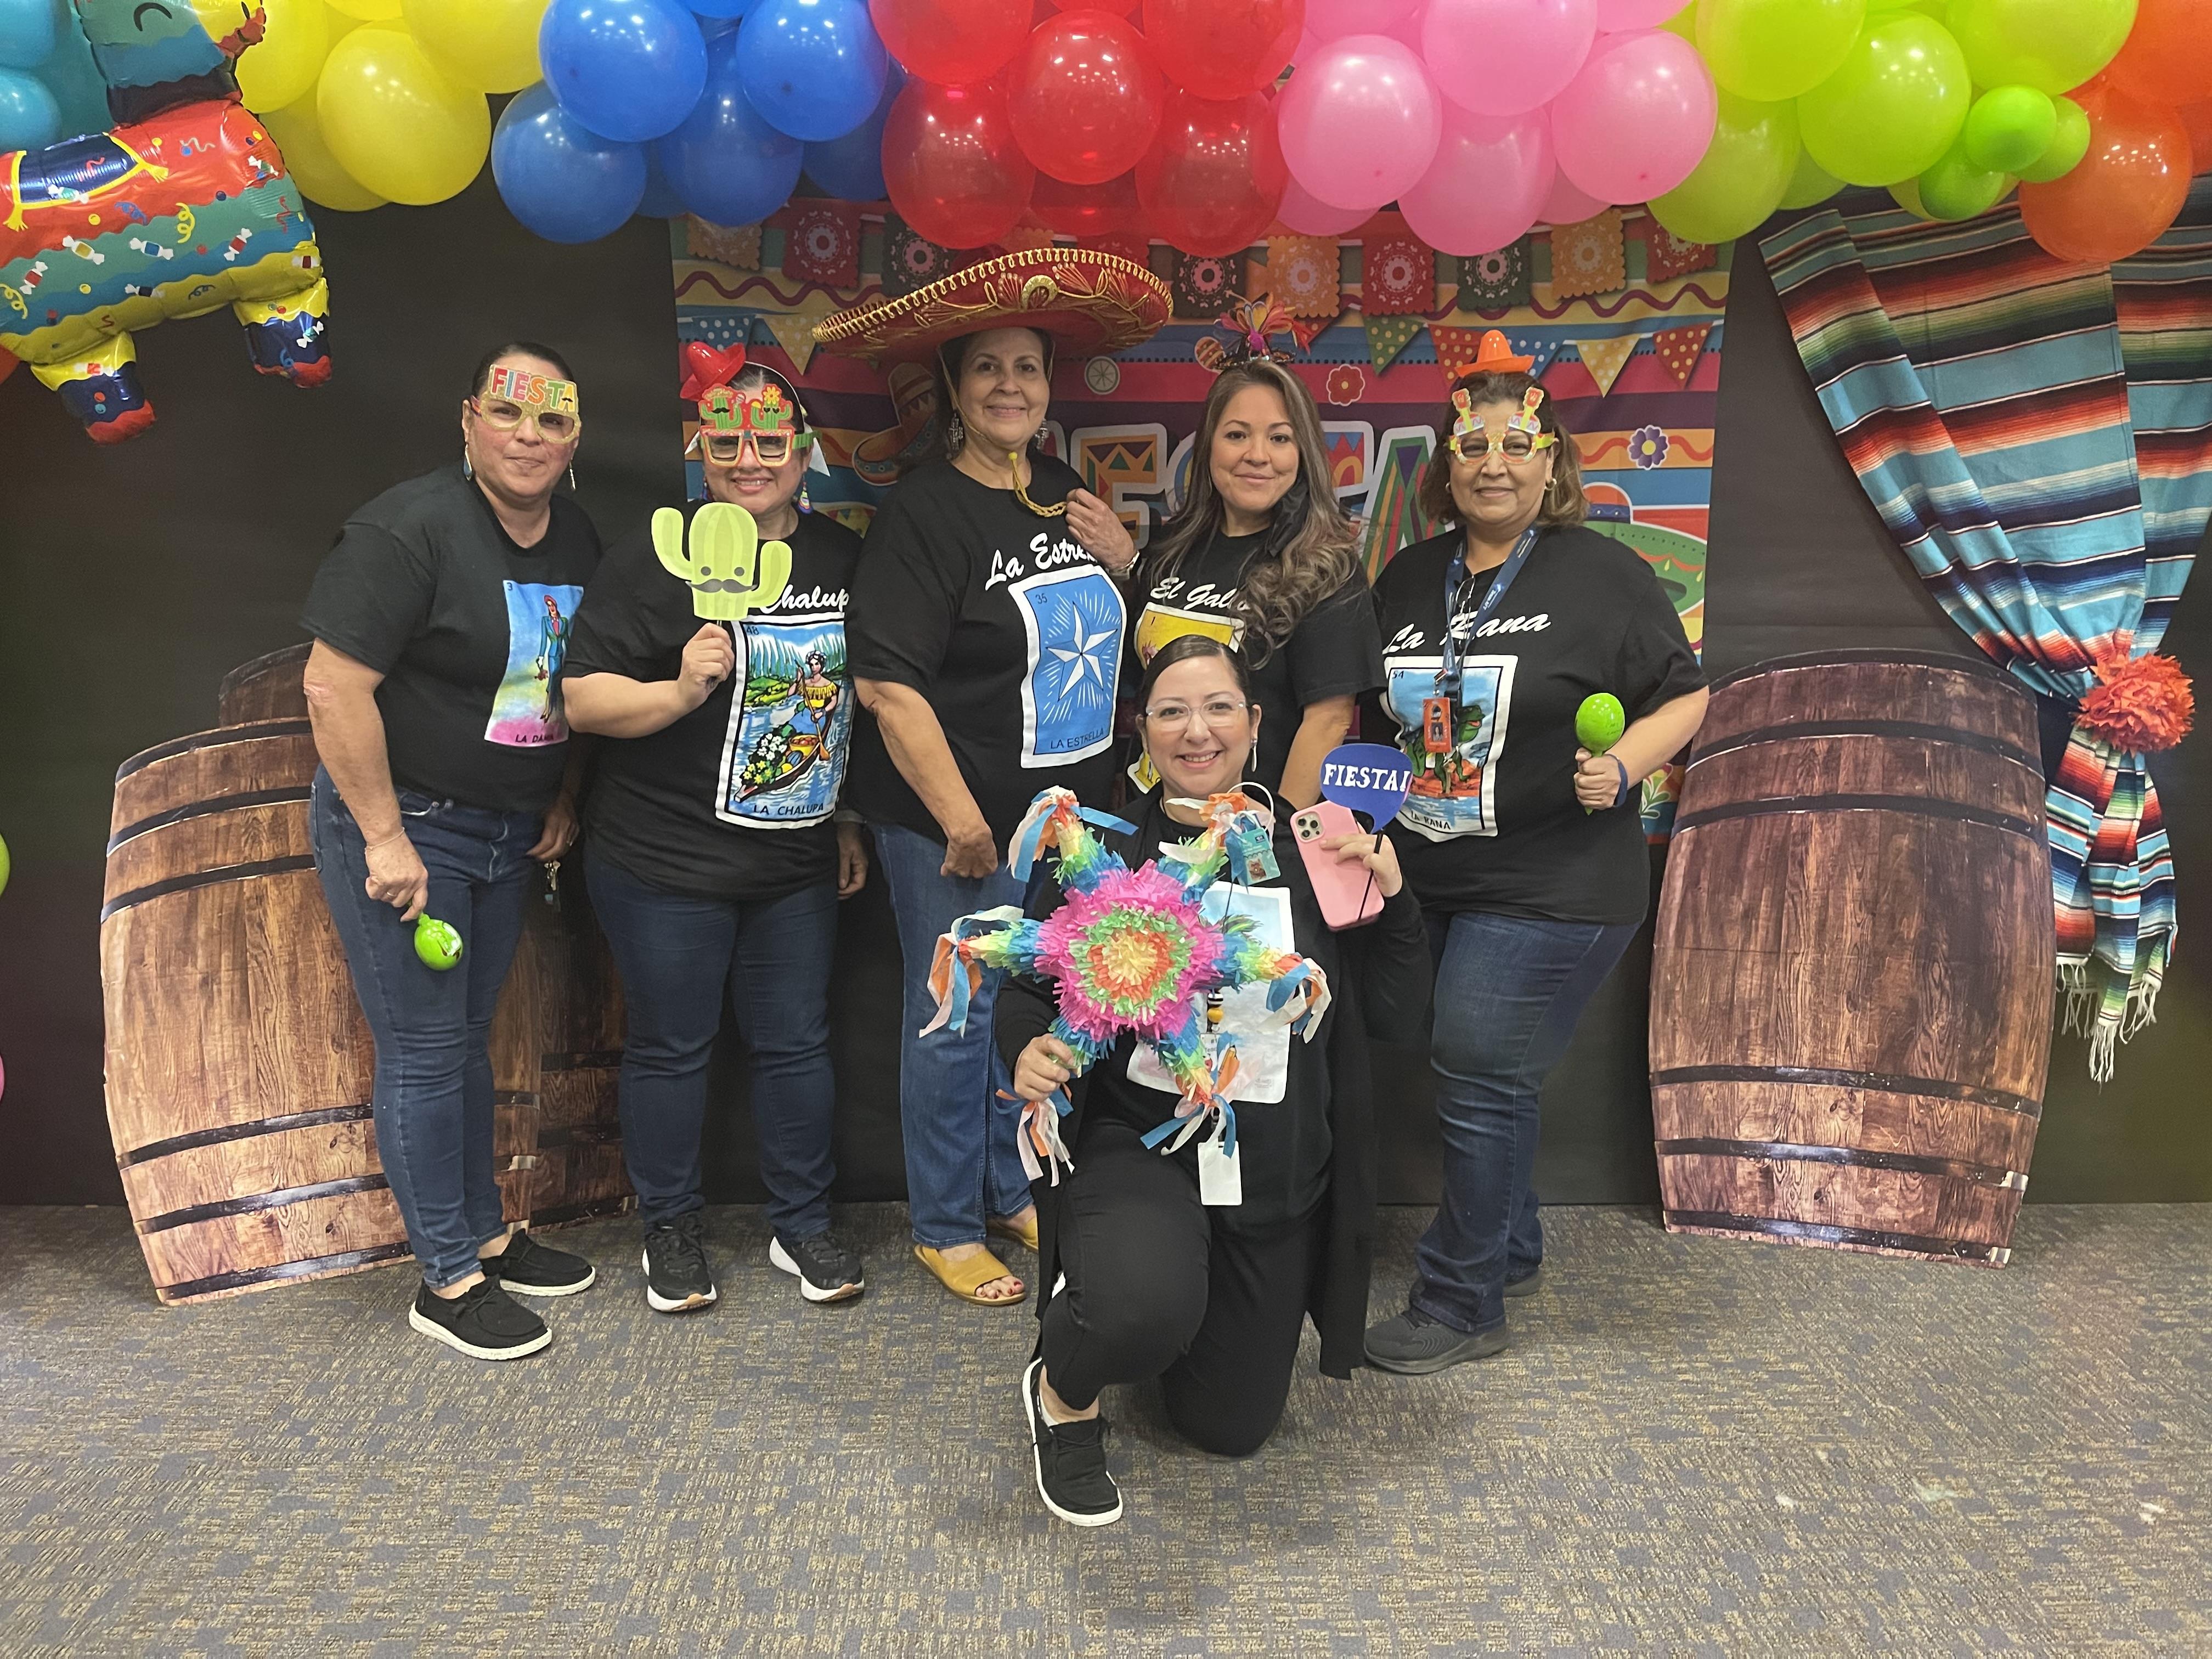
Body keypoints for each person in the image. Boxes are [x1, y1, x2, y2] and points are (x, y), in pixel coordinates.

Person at [997, 634, 1432, 1526]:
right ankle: (1065, 1387)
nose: (1197, 730)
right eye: (1171, 711)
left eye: (1218, 706)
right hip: (1140, 1140)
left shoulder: (1316, 844)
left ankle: (1158, 1300)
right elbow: (1025, 985)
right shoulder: (1102, 851)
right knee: (1135, 1309)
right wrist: (1028, 1051)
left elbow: (1392, 1012)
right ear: (1142, 732)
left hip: (1272, 1166)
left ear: (1255, 720)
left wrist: (1395, 898)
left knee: (1227, 1425)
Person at [814, 248, 1172, 1307]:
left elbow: (1126, 642)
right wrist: (963, 821)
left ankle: (1003, 1177)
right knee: (950, 1022)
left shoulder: (1065, 492)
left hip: (1059, 824)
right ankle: (941, 1222)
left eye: (1028, 367)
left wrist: (1123, 559)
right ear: (954, 391)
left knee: (1012, 1014)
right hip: (953, 824)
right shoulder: (925, 511)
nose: (1011, 386)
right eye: (988, 370)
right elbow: (886, 683)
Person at [1359, 331, 1709, 1375]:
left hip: (1559, 875)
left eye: (1518, 443)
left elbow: (1687, 690)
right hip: (1434, 873)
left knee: (1475, 1063)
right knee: (1483, 1070)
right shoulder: (1410, 576)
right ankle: (1507, 1243)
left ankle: (1462, 1299)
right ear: (1447, 462)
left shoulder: (1604, 573)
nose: (1494, 463)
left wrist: (1631, 766)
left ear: (1551, 460)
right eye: (1473, 445)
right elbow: (1385, 717)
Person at [300, 342, 602, 1361]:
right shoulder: (409, 527)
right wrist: (385, 837)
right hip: (408, 831)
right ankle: (447, 1275)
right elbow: (330, 686)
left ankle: (484, 1229)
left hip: (505, 832)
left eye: (551, 419)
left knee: (466, 1043)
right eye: (509, 413)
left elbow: (564, 683)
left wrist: (558, 792)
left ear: (575, 437)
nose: (529, 436)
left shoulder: (580, 537)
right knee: (426, 1053)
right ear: (468, 418)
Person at [562, 343, 869, 1315]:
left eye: (769, 440)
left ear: (804, 451)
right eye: (727, 440)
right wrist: (678, 685)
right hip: (663, 857)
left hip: (793, 859)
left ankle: (803, 1221)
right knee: (672, 1045)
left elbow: (862, 703)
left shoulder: (840, 560)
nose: (749, 458)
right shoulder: (653, 556)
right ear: (699, 447)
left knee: (795, 1044)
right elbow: (579, 699)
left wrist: (850, 813)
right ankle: (671, 1224)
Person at [1130, 356, 1382, 805]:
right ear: (1209, 446)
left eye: (1280, 438)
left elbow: (1328, 722)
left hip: (1252, 836)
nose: (1257, 455)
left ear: (1302, 452)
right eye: (1237, 435)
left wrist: (1273, 835)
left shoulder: (1327, 567)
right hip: (1153, 822)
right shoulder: (1170, 550)